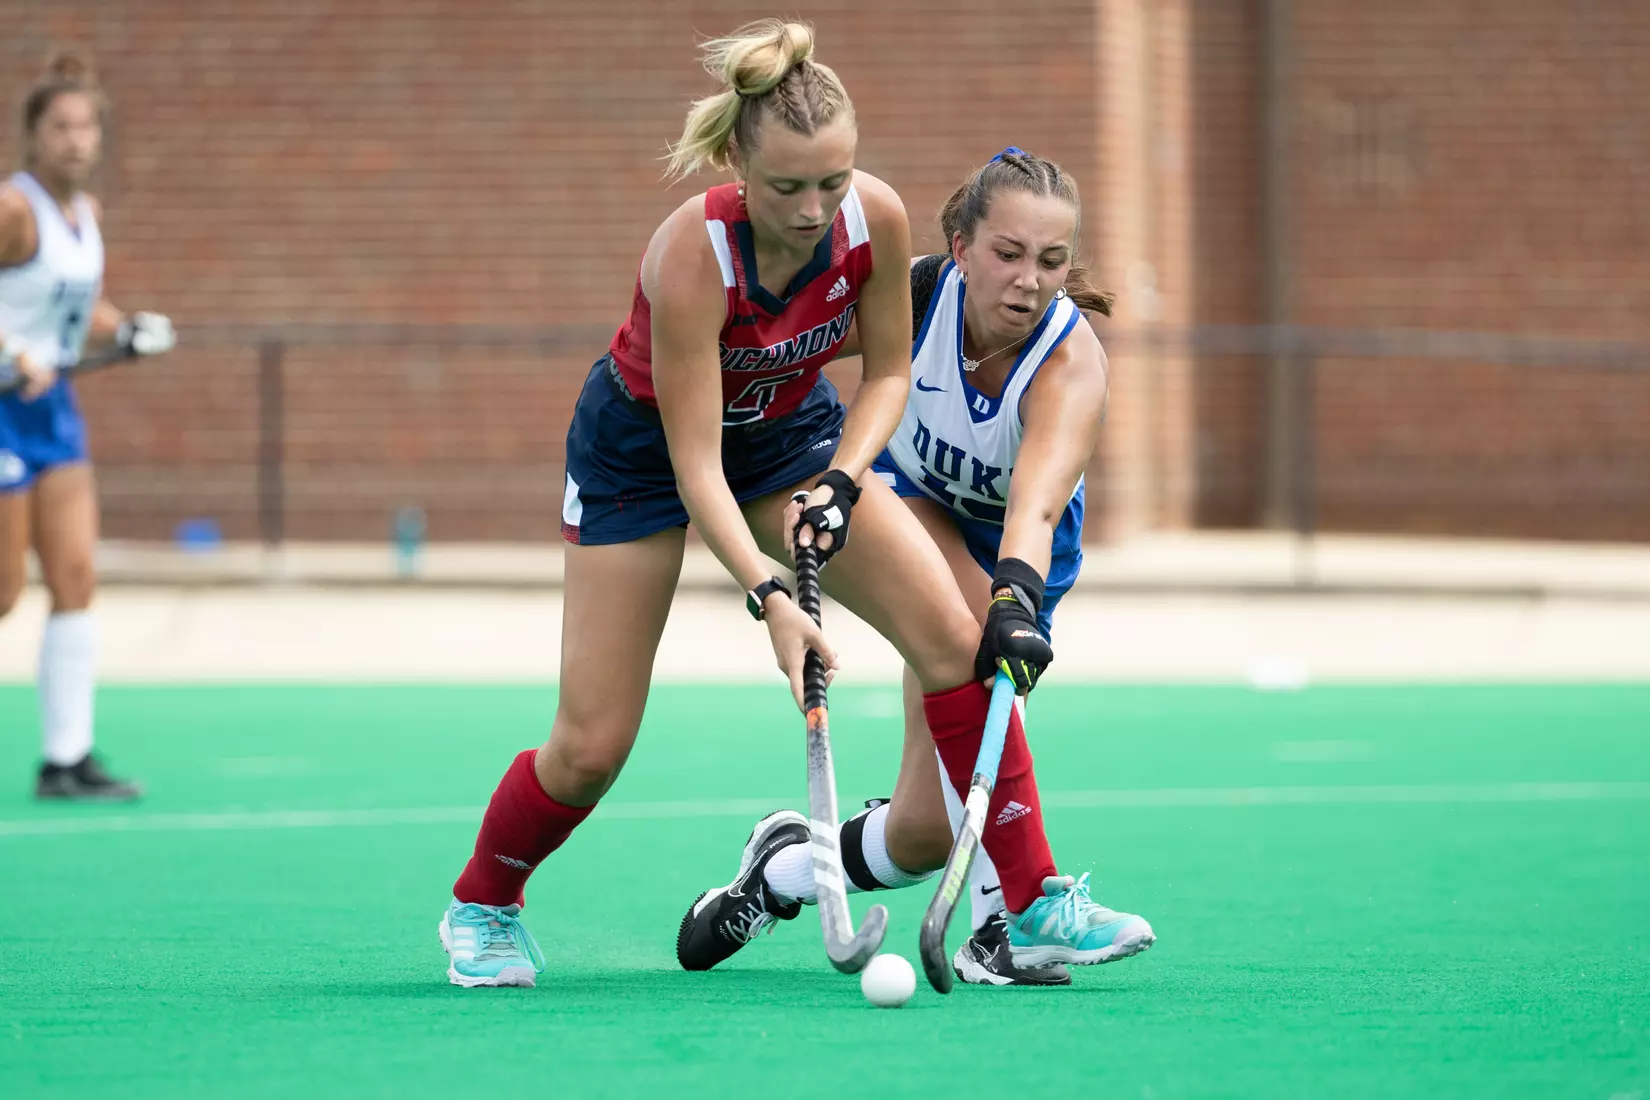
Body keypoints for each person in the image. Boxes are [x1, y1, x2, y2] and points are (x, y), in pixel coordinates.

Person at [440, 20, 1096, 990]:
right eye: (788, 187)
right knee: (589, 746)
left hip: (791, 441)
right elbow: (695, 464)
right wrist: (773, 597)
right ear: (737, 167)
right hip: (641, 460)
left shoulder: (874, 219)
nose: (814, 208)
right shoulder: (692, 256)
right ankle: (483, 901)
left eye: (832, 182)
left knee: (958, 641)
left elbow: (883, 376)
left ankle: (1034, 903)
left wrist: (840, 478)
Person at [678, 148, 1155, 986]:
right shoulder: (919, 295)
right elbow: (795, 349)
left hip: (1018, 556)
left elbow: (1036, 508)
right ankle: (1019, 917)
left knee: (923, 836)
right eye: (1007, 254)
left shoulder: (1071, 364)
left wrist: (1016, 600)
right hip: (909, 513)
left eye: (1050, 261)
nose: (1028, 280)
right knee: (970, 642)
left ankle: (781, 870)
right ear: (961, 247)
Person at [0, 51, 176, 801]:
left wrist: (126, 328)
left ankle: (65, 760)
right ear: (34, 136)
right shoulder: (13, 210)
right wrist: (11, 351)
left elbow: (74, 312)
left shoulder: (85, 215)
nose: (76, 139)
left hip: (54, 414)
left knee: (75, 579)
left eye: (86, 126)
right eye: (60, 126)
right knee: (5, 591)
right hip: (4, 410)